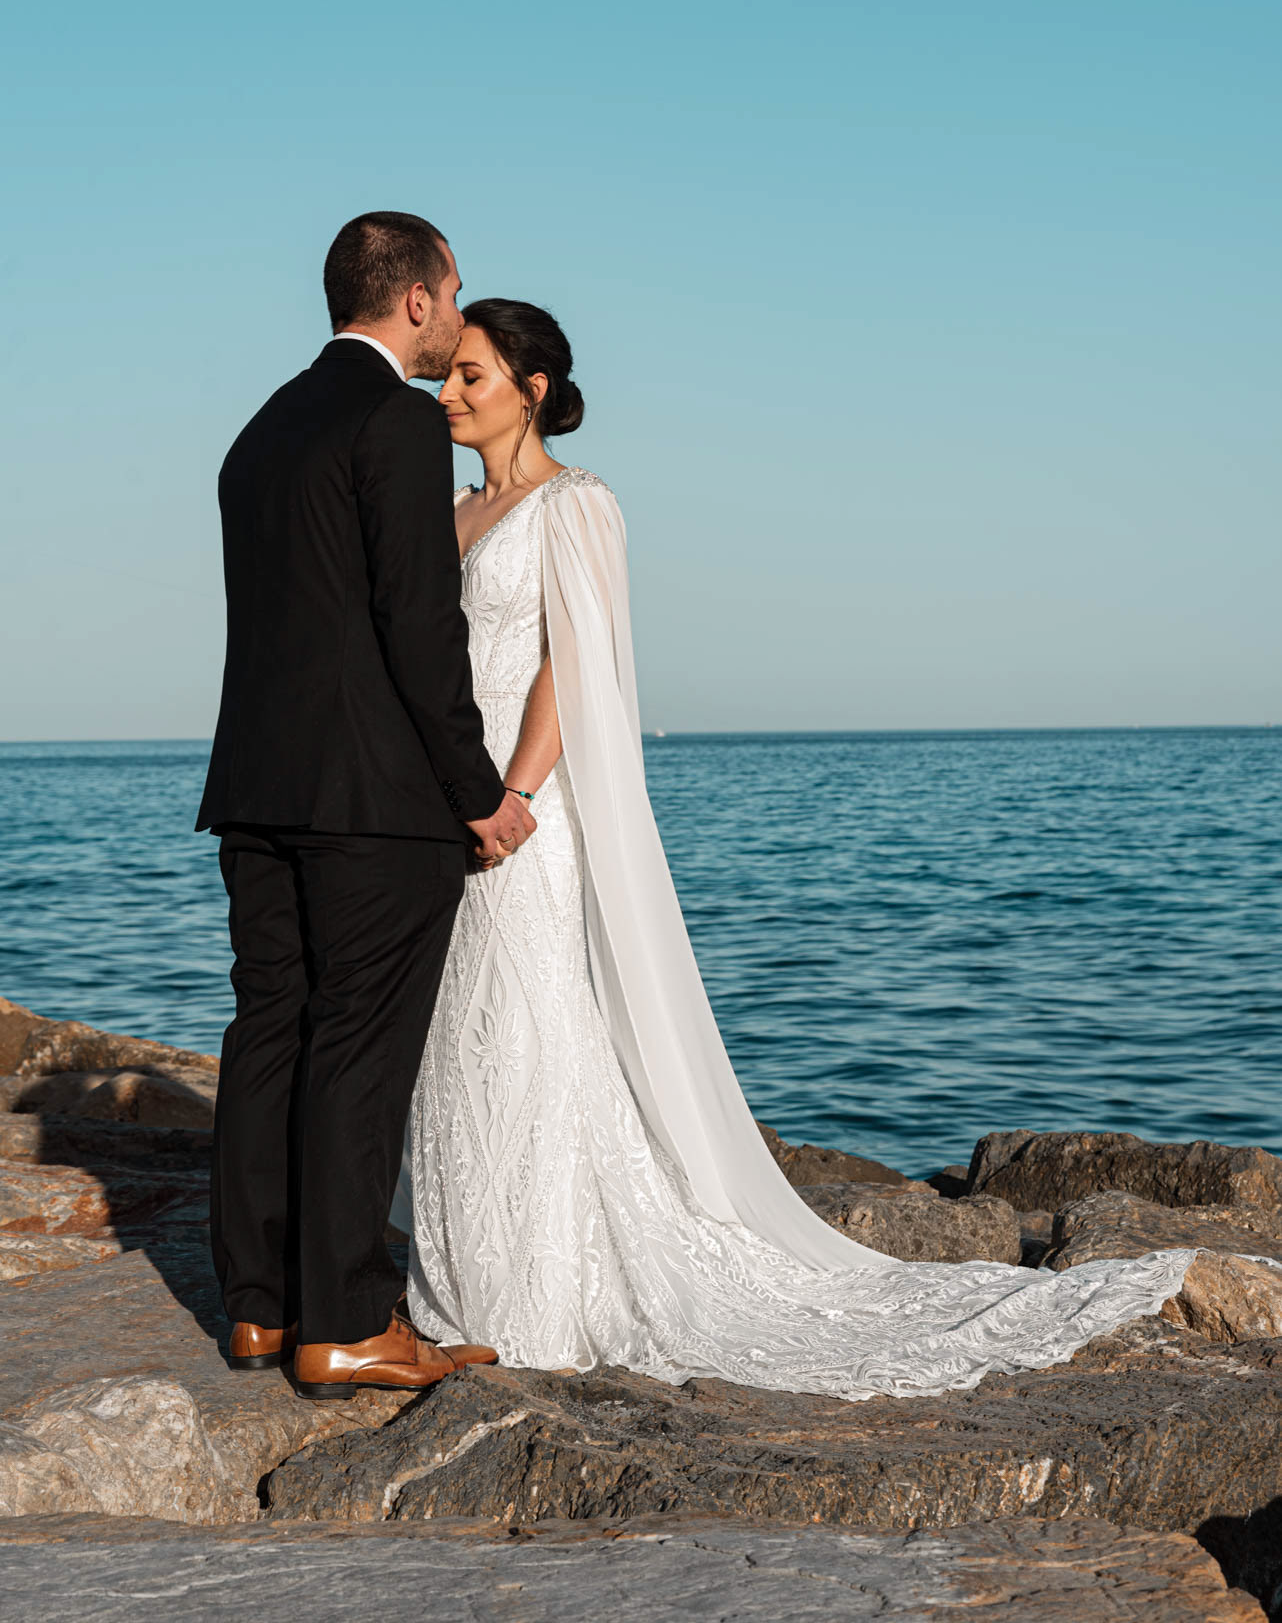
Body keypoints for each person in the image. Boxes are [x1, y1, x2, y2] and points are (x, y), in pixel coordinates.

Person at [397, 299, 1199, 1401]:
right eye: (445, 377)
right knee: (458, 1032)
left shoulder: (577, 507)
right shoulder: (449, 515)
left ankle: (534, 1293)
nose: (446, 394)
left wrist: (515, 792)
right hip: (440, 802)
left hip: (519, 807)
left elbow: (566, 667)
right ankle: (462, 1279)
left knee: (529, 1027)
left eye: (470, 376)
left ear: (530, 389)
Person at [198, 213, 534, 1399]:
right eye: (453, 297)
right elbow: (414, 622)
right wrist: (478, 792)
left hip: (255, 786)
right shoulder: (393, 418)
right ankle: (342, 1318)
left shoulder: (261, 430)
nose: (454, 319)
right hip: (373, 802)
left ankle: (256, 1308)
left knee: (269, 1030)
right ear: (419, 302)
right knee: (356, 1046)